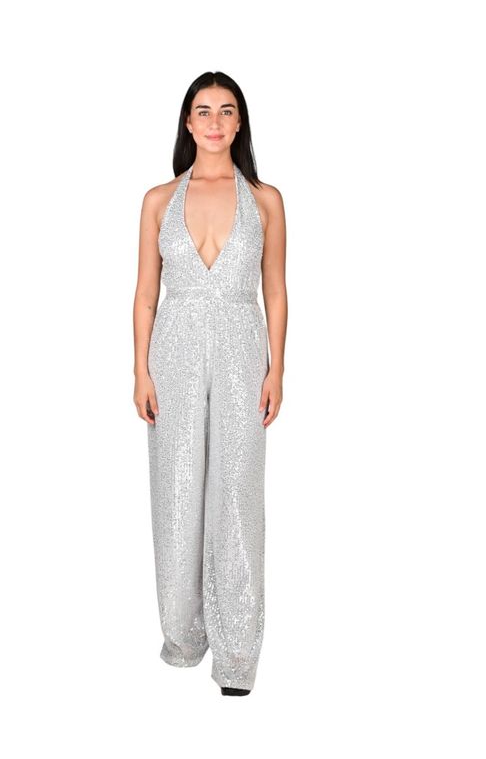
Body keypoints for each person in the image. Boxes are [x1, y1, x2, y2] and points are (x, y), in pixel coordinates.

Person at [133, 71, 287, 696]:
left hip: (242, 349)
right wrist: (139, 370)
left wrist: (278, 367)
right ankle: (182, 636)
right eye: (204, 111)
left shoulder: (267, 200)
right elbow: (146, 294)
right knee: (175, 492)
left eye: (227, 110)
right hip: (173, 349)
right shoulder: (157, 200)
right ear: (188, 122)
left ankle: (238, 656)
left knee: (237, 493)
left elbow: (275, 289)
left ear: (240, 121)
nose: (215, 122)